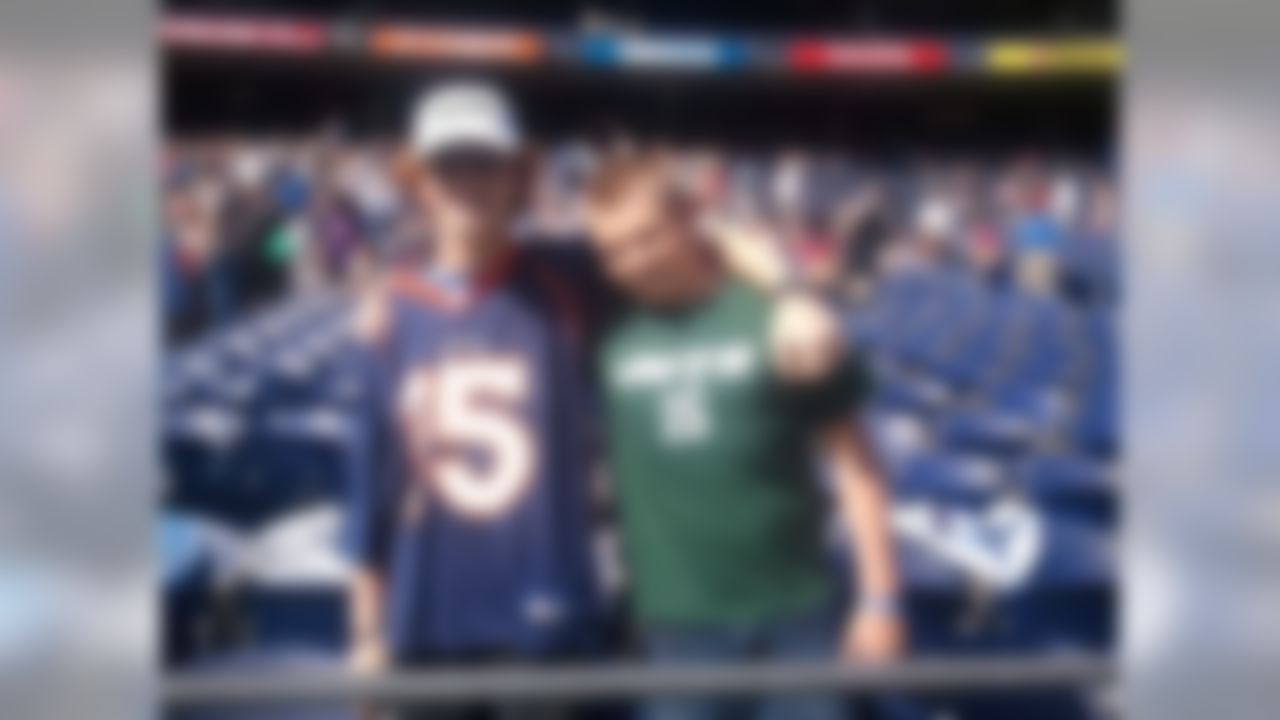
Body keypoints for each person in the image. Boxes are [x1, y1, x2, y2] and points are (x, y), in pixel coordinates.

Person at [344, 80, 844, 714]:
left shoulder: (570, 276)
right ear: (417, 182)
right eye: (449, 165)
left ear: (519, 177)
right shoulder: (388, 317)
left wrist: (794, 292)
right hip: (426, 624)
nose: (469, 182)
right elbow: (369, 492)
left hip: (545, 625)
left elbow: (706, 238)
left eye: (487, 164)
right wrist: (365, 634)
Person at [583, 153, 905, 720]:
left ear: (686, 217)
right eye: (612, 250)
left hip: (795, 614)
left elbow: (858, 466)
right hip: (676, 628)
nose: (633, 261)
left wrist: (880, 599)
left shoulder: (775, 318)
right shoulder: (605, 334)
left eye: (647, 236)